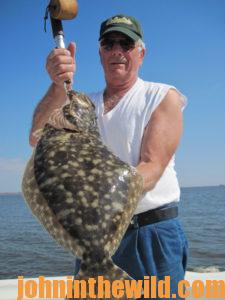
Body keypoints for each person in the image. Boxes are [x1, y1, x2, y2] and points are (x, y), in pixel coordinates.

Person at [30, 14, 188, 299]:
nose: (117, 50)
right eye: (109, 43)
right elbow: (37, 136)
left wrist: (102, 205)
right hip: (94, 242)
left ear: (141, 52)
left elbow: (151, 167)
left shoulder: (162, 96)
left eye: (126, 43)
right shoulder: (83, 105)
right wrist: (56, 85)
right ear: (100, 52)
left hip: (149, 235)